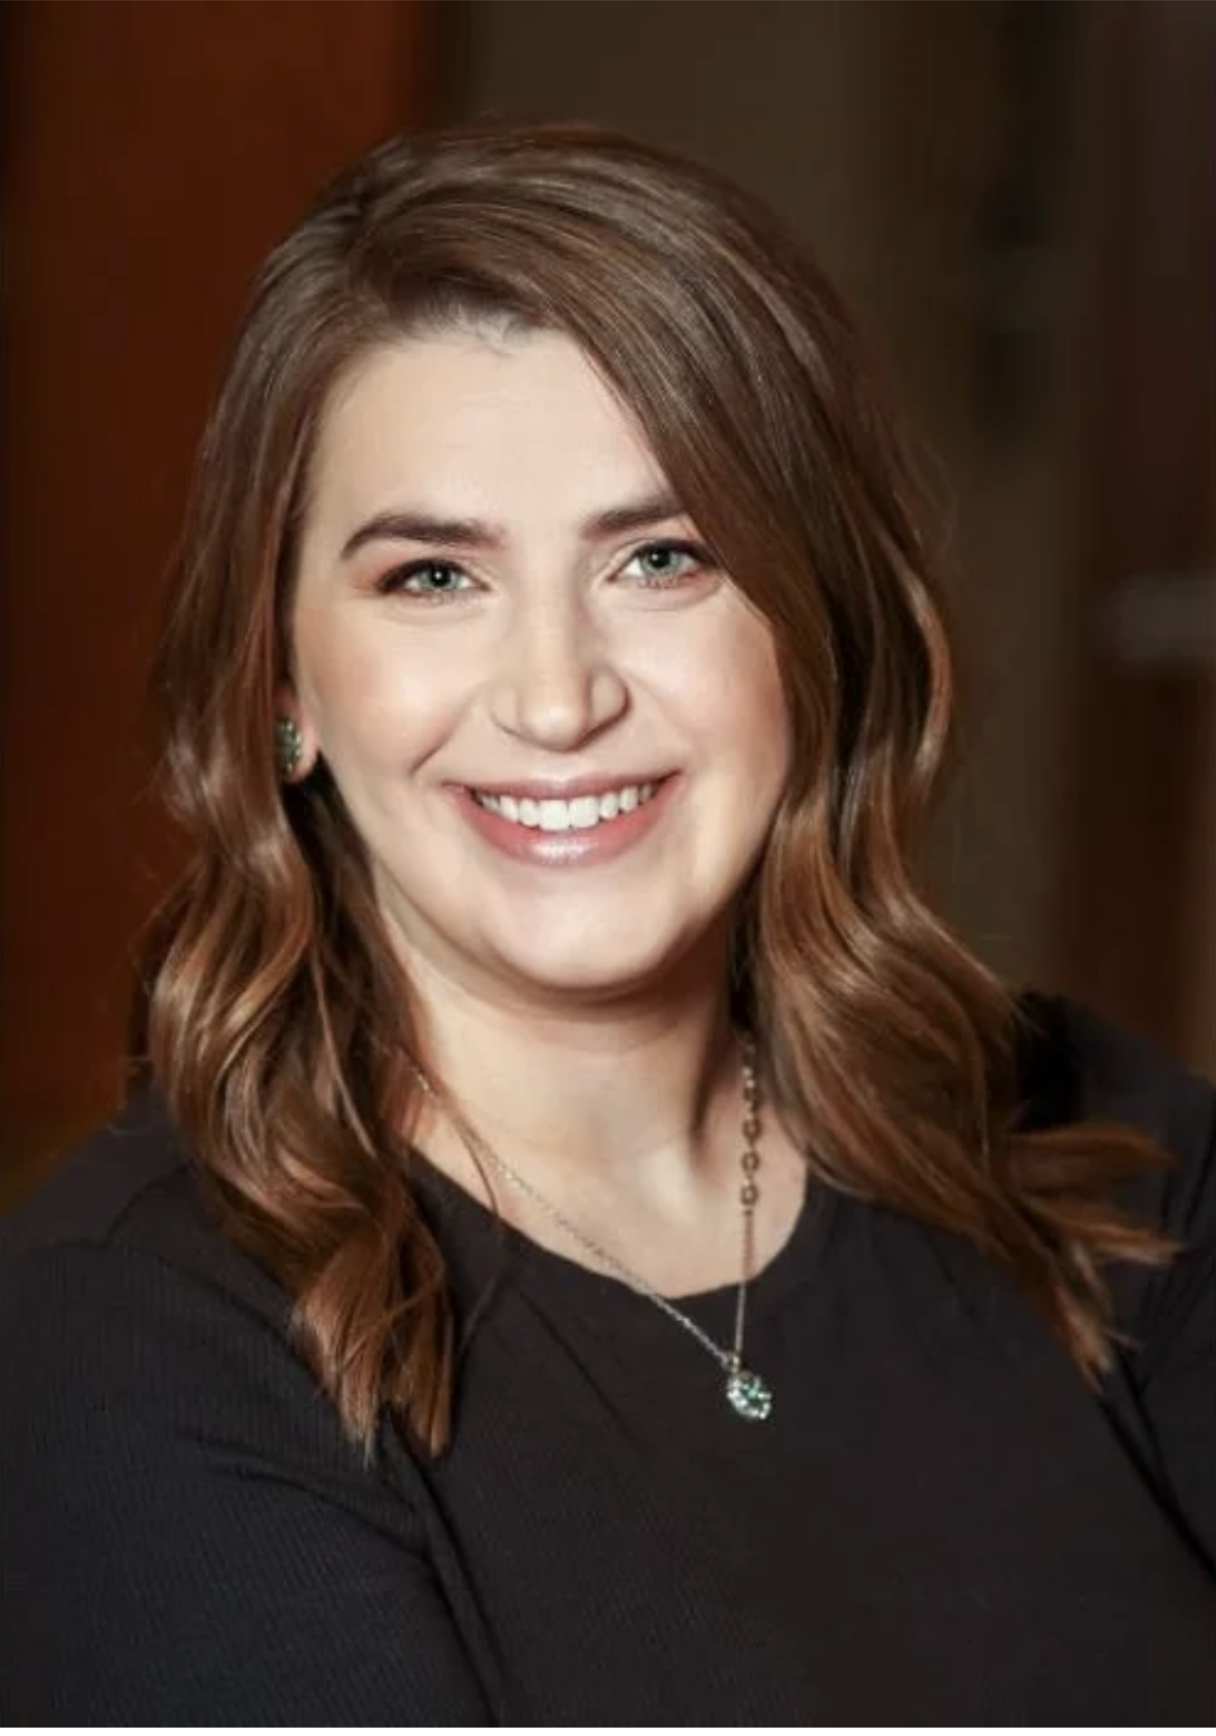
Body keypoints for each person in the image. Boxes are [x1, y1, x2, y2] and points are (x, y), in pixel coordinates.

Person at [1, 121, 1213, 1725]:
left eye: (663, 557)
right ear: (280, 682)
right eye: (433, 577)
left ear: (816, 628)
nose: (559, 698)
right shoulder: (127, 1349)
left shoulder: (1096, 1152)